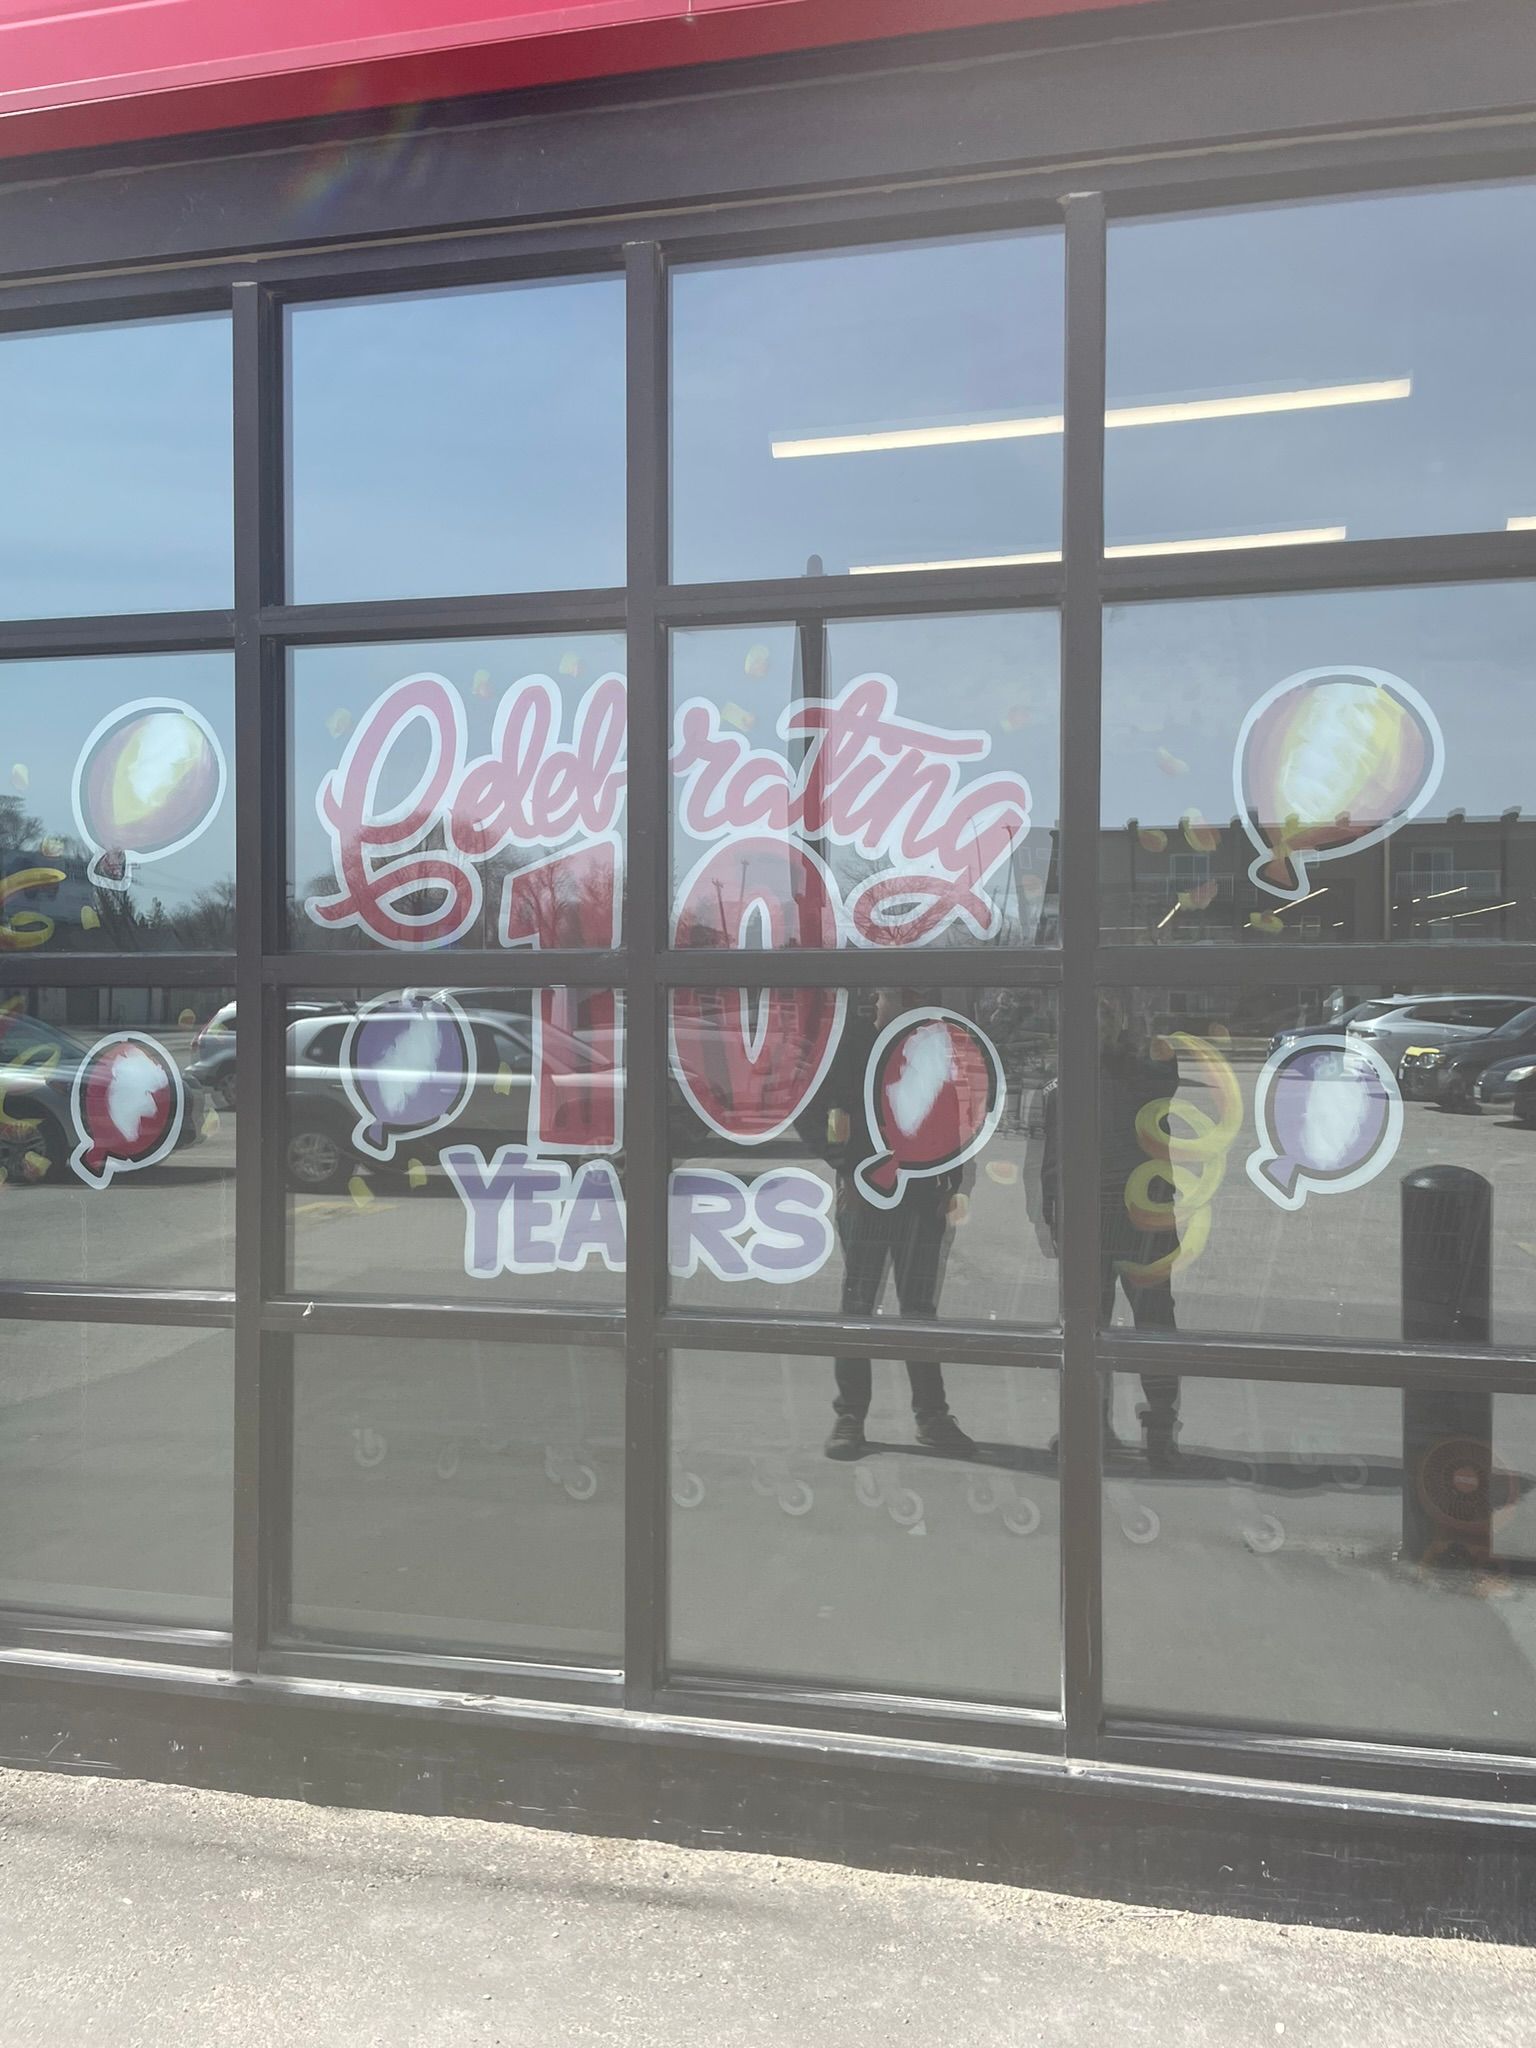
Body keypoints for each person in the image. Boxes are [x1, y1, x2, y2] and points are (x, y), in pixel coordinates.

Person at [811, 988, 978, 1462]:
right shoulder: (858, 1045)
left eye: (883, 997)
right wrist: (842, 1165)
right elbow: (828, 1111)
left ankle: (930, 1416)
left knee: (917, 1309)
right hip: (866, 1196)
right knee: (859, 1306)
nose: (875, 1005)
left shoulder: (935, 1046)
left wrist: (951, 1181)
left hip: (921, 1198)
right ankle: (852, 1416)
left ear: (902, 1002)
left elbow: (958, 1120)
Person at [1037, 999, 1182, 1467]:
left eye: (1106, 1017)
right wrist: (1054, 1215)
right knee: (1085, 1328)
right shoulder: (1064, 1085)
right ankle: (1091, 1426)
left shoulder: (1142, 1073)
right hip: (1089, 1216)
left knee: (1154, 1324)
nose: (1096, 1027)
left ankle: (1159, 1427)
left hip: (1141, 1213)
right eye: (1086, 1017)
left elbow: (1166, 1075)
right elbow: (1053, 1160)